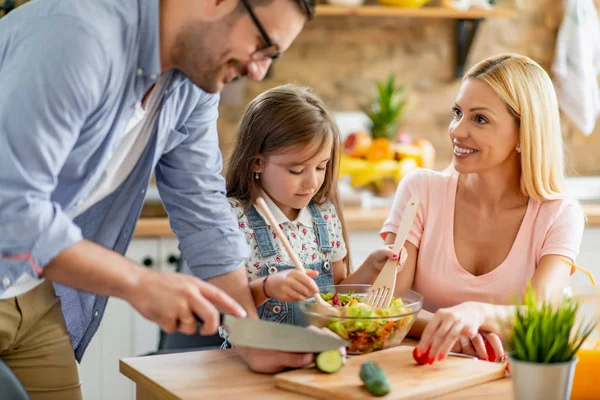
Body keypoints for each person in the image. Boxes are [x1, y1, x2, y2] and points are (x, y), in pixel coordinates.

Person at [0, 0, 320, 398]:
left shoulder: (194, 80)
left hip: (28, 286)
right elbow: (10, 207)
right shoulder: (77, 34)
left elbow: (200, 203)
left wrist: (247, 334)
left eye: (271, 58)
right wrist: (140, 283)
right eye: (261, 44)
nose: (258, 70)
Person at [380, 54, 585, 364]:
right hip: (421, 374)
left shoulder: (558, 214)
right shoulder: (419, 191)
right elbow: (386, 305)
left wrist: (476, 312)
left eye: (479, 119)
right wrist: (458, 333)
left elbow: (541, 315)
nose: (456, 131)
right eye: (458, 113)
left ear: (523, 133)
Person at [224, 84, 403, 328]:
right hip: (255, 357)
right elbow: (224, 309)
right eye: (296, 170)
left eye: (321, 167)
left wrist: (371, 267)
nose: (312, 182)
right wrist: (267, 288)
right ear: (257, 163)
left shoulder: (325, 215)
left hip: (318, 353)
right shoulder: (232, 218)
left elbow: (338, 294)